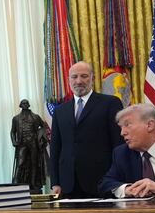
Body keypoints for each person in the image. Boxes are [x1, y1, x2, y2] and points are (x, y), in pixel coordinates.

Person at [49, 61, 123, 198]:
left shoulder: (110, 103)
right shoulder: (60, 111)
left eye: (84, 76)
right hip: (68, 185)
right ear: (68, 80)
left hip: (102, 182)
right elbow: (55, 149)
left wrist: (118, 179)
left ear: (93, 79)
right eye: (74, 77)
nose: (79, 81)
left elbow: (118, 144)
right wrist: (55, 182)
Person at [10, 99, 48, 193]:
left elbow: (43, 127)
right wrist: (14, 141)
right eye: (23, 103)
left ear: (29, 105)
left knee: (34, 163)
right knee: (20, 162)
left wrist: (40, 137)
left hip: (33, 143)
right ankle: (16, 182)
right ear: (20, 105)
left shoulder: (35, 117)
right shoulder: (16, 118)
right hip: (22, 144)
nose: (25, 105)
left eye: (26, 103)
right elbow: (12, 132)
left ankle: (33, 182)